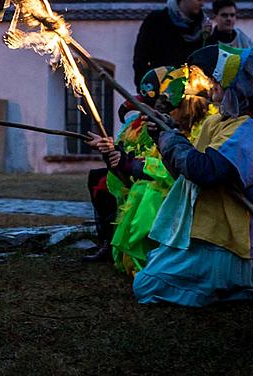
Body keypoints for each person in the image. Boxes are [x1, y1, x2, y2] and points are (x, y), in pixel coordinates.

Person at [132, 45, 253, 306]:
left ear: (238, 86)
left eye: (217, 82)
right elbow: (186, 174)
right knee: (147, 280)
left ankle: (237, 288)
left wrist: (171, 139)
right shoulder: (217, 121)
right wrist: (164, 135)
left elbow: (207, 171)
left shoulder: (250, 130)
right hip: (207, 228)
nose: (211, 86)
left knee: (149, 285)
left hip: (234, 236)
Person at [86, 65, 213, 274]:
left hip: (189, 192)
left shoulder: (205, 127)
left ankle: (156, 257)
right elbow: (132, 157)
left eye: (169, 105)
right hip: (159, 181)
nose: (160, 111)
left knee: (148, 194)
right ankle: (111, 244)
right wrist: (112, 153)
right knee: (104, 180)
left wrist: (130, 164)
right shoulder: (144, 125)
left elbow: (175, 167)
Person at [132, 0, 208, 87]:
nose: (202, 4)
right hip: (160, 85)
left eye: (203, 0)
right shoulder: (157, 21)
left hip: (191, 89)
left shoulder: (202, 27)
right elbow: (141, 57)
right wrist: (145, 86)